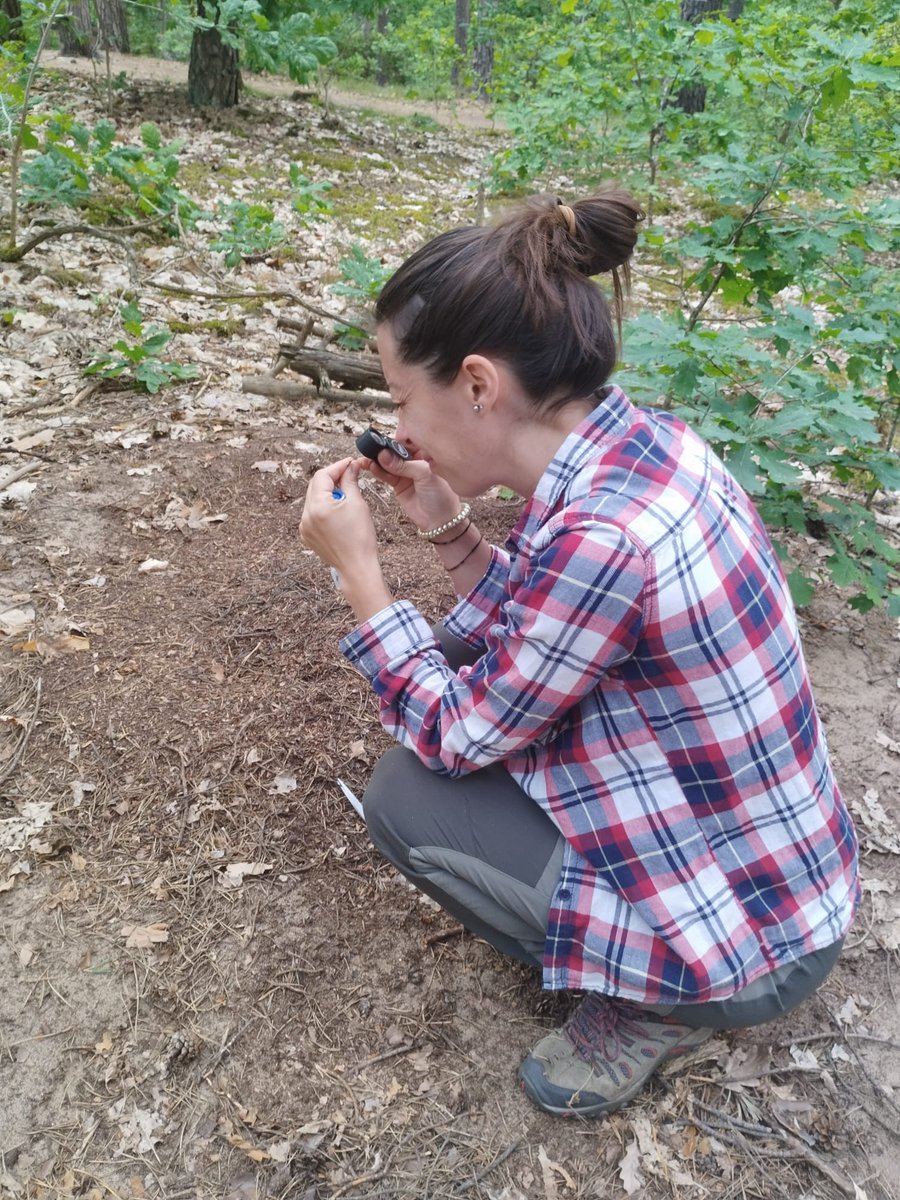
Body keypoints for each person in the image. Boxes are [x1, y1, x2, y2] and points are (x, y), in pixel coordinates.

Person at [300, 187, 859, 1119]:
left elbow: (452, 733)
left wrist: (361, 576)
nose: (398, 429)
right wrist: (446, 529)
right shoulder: (645, 449)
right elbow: (546, 632)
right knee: (446, 658)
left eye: (402, 398)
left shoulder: (602, 538)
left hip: (754, 947)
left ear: (479, 385)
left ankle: (663, 1007)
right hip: (786, 881)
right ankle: (656, 968)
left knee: (408, 793)